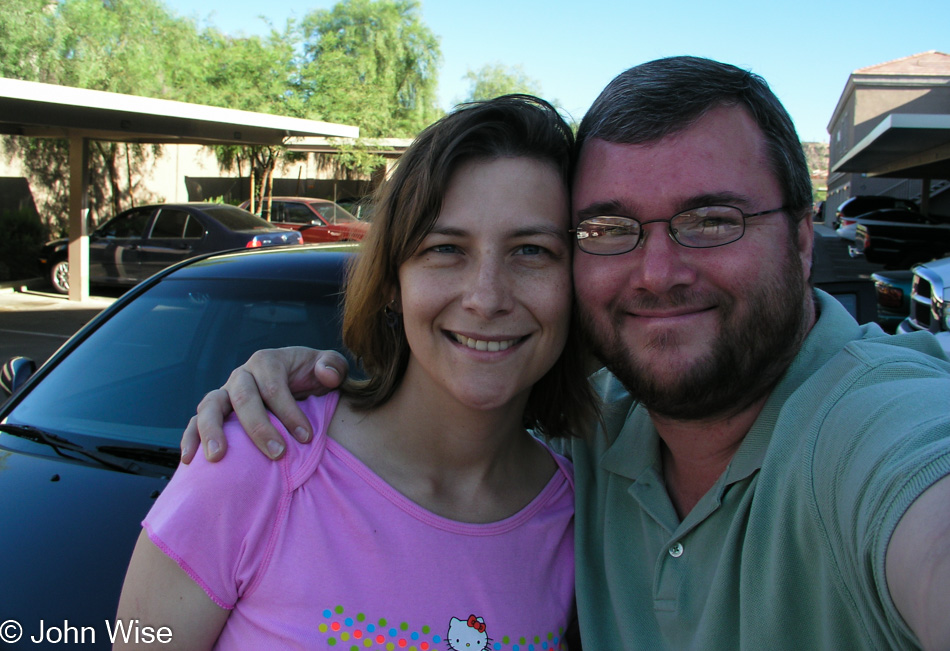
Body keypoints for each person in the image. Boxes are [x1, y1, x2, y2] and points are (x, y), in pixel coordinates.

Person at [183, 57, 950, 650]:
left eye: (712, 219)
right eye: (613, 229)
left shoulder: (874, 426)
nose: (658, 273)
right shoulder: (587, 446)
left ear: (803, 237)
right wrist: (297, 376)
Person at [116, 95, 597, 649]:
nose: (486, 298)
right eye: (445, 248)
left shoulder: (578, 519)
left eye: (532, 251)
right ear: (393, 282)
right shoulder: (257, 457)